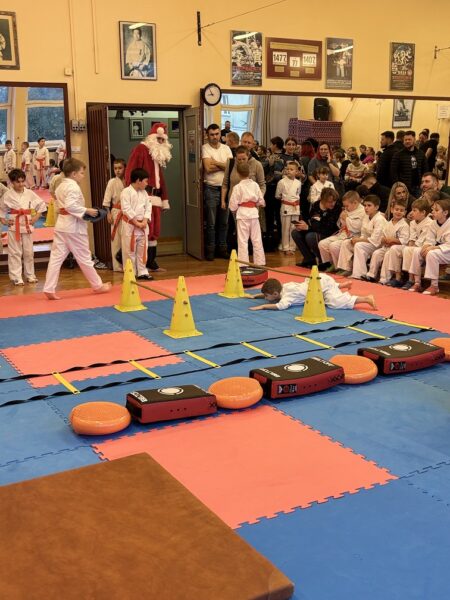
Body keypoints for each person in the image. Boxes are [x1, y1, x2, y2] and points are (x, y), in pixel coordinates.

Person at [43, 158, 111, 299]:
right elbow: (70, 206)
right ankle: (97, 285)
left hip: (62, 225)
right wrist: (87, 210)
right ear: (73, 174)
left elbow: (63, 206)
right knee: (84, 257)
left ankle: (49, 288)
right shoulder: (73, 187)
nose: (83, 176)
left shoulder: (61, 186)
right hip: (73, 228)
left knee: (56, 258)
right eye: (81, 173)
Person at [125, 122, 172, 271]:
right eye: (158, 139)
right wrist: (132, 195)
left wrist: (164, 198)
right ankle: (135, 262)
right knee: (145, 230)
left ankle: (151, 261)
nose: (161, 142)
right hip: (144, 196)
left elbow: (160, 179)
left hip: (155, 198)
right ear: (152, 137)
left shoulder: (157, 155)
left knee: (154, 231)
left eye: (163, 139)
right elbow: (130, 172)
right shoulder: (141, 149)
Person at [0, 169, 46, 285]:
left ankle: (30, 275)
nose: (21, 184)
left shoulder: (29, 193)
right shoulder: (8, 195)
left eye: (22, 181)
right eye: (18, 182)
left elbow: (41, 205)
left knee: (28, 252)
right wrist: (3, 220)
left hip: (27, 224)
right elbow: (1, 209)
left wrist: (36, 217)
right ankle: (16, 277)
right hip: (14, 225)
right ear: (11, 182)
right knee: (15, 252)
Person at [248, 275, 376, 311]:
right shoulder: (284, 287)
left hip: (321, 284)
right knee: (328, 290)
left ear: (276, 294)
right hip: (318, 280)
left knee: (334, 303)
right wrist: (255, 296)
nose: (266, 298)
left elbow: (279, 306)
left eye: (266, 296)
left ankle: (366, 298)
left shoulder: (288, 297)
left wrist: (263, 306)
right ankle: (341, 285)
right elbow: (272, 295)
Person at [386, 198, 432, 289]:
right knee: (395, 248)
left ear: (423, 212)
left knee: (409, 250)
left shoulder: (429, 223)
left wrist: (410, 247)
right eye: (412, 210)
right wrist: (410, 245)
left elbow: (421, 241)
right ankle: (398, 277)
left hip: (424, 247)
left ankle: (411, 280)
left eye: (414, 210)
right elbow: (412, 238)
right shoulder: (413, 223)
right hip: (413, 246)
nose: (411, 213)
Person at [202, 123, 233, 260]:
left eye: (217, 134)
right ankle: (210, 250)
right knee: (211, 223)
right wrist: (224, 165)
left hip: (226, 189)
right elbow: (208, 168)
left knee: (224, 223)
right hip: (211, 188)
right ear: (207, 135)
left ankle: (222, 249)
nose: (215, 137)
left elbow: (231, 167)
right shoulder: (205, 148)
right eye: (212, 134)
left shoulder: (226, 148)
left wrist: (216, 163)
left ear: (220, 134)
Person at [408, 198, 450, 295]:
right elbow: (429, 239)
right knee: (417, 251)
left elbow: (448, 245)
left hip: (447, 251)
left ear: (445, 212)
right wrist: (426, 246)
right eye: (432, 210)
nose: (433, 212)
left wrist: (432, 248)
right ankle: (417, 283)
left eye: (436, 210)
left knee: (432, 254)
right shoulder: (433, 223)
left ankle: (434, 286)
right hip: (439, 250)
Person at [292, 187, 341, 267]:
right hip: (317, 230)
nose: (333, 204)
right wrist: (303, 224)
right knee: (295, 232)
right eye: (330, 202)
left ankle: (323, 261)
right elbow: (311, 220)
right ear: (322, 200)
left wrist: (308, 228)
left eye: (334, 201)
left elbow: (330, 228)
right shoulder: (316, 205)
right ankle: (309, 259)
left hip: (330, 233)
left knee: (310, 237)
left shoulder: (337, 207)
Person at [228, 161, 265, 266]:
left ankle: (243, 264)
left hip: (242, 214)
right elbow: (261, 201)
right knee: (257, 239)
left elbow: (232, 205)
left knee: (242, 241)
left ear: (238, 173)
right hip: (253, 213)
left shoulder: (237, 187)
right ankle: (260, 262)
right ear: (249, 172)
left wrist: (234, 209)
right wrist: (256, 203)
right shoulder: (255, 185)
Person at [318, 190, 365, 272]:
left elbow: (357, 228)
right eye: (345, 206)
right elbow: (339, 225)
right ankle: (333, 264)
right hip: (342, 234)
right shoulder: (347, 209)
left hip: (354, 236)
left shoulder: (363, 211)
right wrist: (341, 219)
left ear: (355, 202)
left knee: (333, 246)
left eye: (347, 206)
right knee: (322, 244)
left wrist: (346, 218)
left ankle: (343, 267)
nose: (345, 208)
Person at [364, 200, 409, 284]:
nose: (398, 212)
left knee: (388, 255)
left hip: (397, 248)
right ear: (392, 210)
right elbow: (382, 237)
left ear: (405, 213)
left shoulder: (404, 225)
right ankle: (371, 275)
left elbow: (404, 241)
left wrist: (392, 240)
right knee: (376, 253)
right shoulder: (388, 224)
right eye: (396, 209)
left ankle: (384, 279)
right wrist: (384, 240)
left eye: (401, 210)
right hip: (386, 246)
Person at [120, 167, 152, 280]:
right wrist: (136, 223)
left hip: (142, 225)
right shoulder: (126, 192)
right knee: (129, 251)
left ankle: (142, 272)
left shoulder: (144, 193)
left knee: (142, 250)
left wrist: (144, 221)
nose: (147, 183)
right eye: (145, 181)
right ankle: (130, 273)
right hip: (130, 225)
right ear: (138, 180)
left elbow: (148, 207)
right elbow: (126, 209)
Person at [348, 195, 387, 279]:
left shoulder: (379, 219)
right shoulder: (366, 217)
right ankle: (346, 269)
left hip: (379, 245)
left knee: (359, 245)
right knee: (347, 243)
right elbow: (363, 233)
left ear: (376, 207)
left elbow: (375, 240)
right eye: (365, 205)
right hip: (369, 242)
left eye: (369, 205)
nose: (366, 208)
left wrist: (359, 240)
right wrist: (358, 239)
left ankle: (359, 274)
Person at [103, 158, 126, 272]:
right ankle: (117, 266)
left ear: (125, 168)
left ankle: (128, 265)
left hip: (128, 212)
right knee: (116, 240)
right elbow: (106, 200)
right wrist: (108, 214)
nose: (117, 170)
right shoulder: (112, 182)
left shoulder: (129, 181)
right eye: (115, 168)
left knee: (126, 238)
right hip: (116, 212)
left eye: (120, 168)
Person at [390, 130, 428, 197]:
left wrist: (424, 182)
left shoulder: (421, 154)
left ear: (414, 140)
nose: (407, 141)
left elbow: (425, 169)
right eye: (405, 140)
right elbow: (393, 172)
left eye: (409, 139)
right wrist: (398, 185)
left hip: (418, 186)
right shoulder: (398, 155)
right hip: (404, 187)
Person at [275, 161, 301, 255]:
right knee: (285, 228)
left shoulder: (298, 183)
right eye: (287, 169)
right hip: (286, 206)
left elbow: (298, 194)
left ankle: (293, 246)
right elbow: (278, 195)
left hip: (295, 207)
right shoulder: (281, 182)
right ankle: (285, 247)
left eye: (291, 169)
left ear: (296, 172)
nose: (289, 171)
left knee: (294, 227)